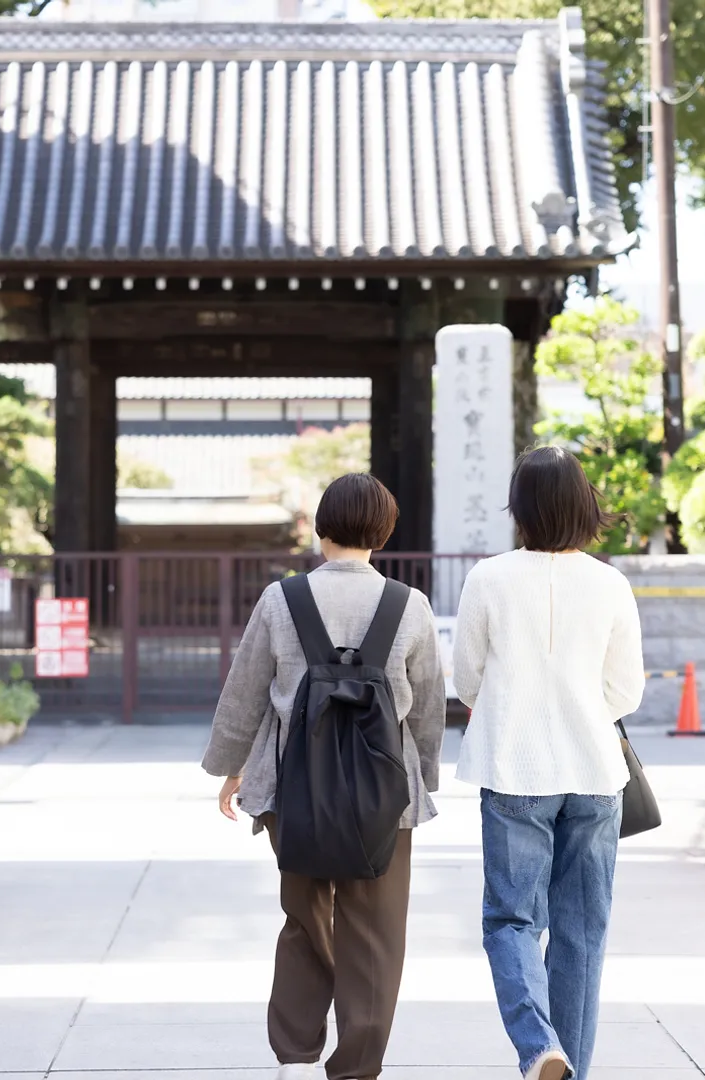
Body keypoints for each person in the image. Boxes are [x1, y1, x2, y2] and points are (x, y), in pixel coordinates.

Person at [202, 473, 447, 1080]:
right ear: (384, 533)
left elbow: (245, 693)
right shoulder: (408, 605)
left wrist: (232, 769)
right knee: (377, 930)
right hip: (384, 797)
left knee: (306, 915)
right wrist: (423, 780)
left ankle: (295, 1052)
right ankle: (357, 1065)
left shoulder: (280, 600)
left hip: (294, 789)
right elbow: (428, 705)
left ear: (321, 527)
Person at [452, 446, 645, 1080]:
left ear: (523, 510)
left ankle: (540, 1048)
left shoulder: (488, 578)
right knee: (582, 936)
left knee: (511, 919)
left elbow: (467, 680)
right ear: (586, 507)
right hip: (595, 775)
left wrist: (508, 705)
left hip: (514, 769)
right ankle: (570, 1070)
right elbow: (627, 693)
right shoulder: (611, 582)